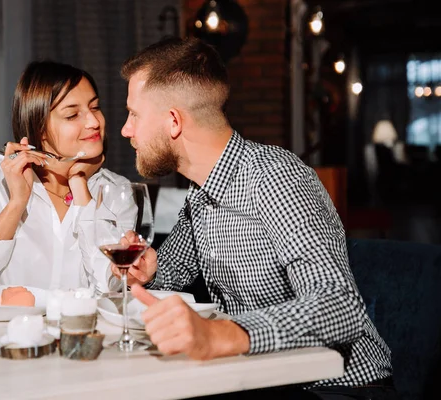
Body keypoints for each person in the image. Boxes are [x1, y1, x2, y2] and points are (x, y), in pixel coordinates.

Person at [115, 37, 397, 398]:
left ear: (173, 121)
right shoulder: (201, 192)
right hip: (261, 378)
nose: (126, 129)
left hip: (339, 388)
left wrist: (220, 334)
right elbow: (173, 271)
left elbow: (339, 308)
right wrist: (150, 270)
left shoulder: (276, 179)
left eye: (134, 114)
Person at [0, 61, 132, 304]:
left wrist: (78, 181)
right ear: (39, 128)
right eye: (73, 114)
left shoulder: (117, 190)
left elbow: (112, 287)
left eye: (95, 107)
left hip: (79, 335)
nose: (94, 122)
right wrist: (17, 202)